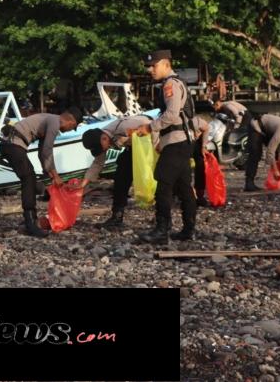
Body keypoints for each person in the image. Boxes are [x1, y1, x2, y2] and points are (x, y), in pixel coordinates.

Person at [136, 50, 197, 244]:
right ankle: (188, 229)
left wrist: (149, 127)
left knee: (163, 183)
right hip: (183, 141)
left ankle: (162, 230)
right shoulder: (178, 83)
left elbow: (171, 115)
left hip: (177, 142)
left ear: (165, 64)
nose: (150, 70)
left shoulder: (170, 84)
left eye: (153, 65)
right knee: (184, 186)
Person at [0, 107, 83, 237]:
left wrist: (48, 172)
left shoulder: (50, 120)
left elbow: (42, 152)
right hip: (12, 144)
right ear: (71, 122)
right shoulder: (55, 123)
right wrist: (55, 175)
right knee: (29, 178)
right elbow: (47, 151)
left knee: (29, 178)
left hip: (9, 144)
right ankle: (30, 223)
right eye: (73, 127)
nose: (69, 130)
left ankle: (30, 219)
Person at [72, 115, 154, 230]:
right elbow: (98, 163)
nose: (103, 151)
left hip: (152, 144)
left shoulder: (124, 127)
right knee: (120, 178)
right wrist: (83, 184)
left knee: (158, 180)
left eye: (101, 148)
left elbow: (151, 126)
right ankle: (117, 217)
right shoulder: (102, 138)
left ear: (104, 138)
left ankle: (162, 219)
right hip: (132, 148)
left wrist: (156, 153)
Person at [190, 115, 211, 208]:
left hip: (196, 143)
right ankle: (185, 194)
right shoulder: (172, 122)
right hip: (180, 144)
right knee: (182, 168)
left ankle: (200, 195)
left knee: (200, 165)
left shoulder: (194, 121)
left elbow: (206, 127)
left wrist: (203, 146)